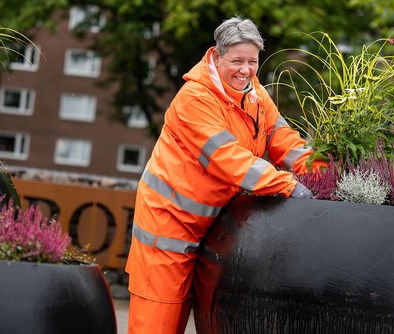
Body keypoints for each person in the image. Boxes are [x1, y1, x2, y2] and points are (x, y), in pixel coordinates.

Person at [125, 16, 326, 333]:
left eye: (252, 61)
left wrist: (326, 174)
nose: (245, 70)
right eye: (237, 61)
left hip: (211, 231)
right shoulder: (194, 100)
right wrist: (290, 186)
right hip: (167, 232)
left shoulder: (254, 93)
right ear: (216, 57)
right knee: (157, 326)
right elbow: (231, 161)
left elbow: (283, 139)